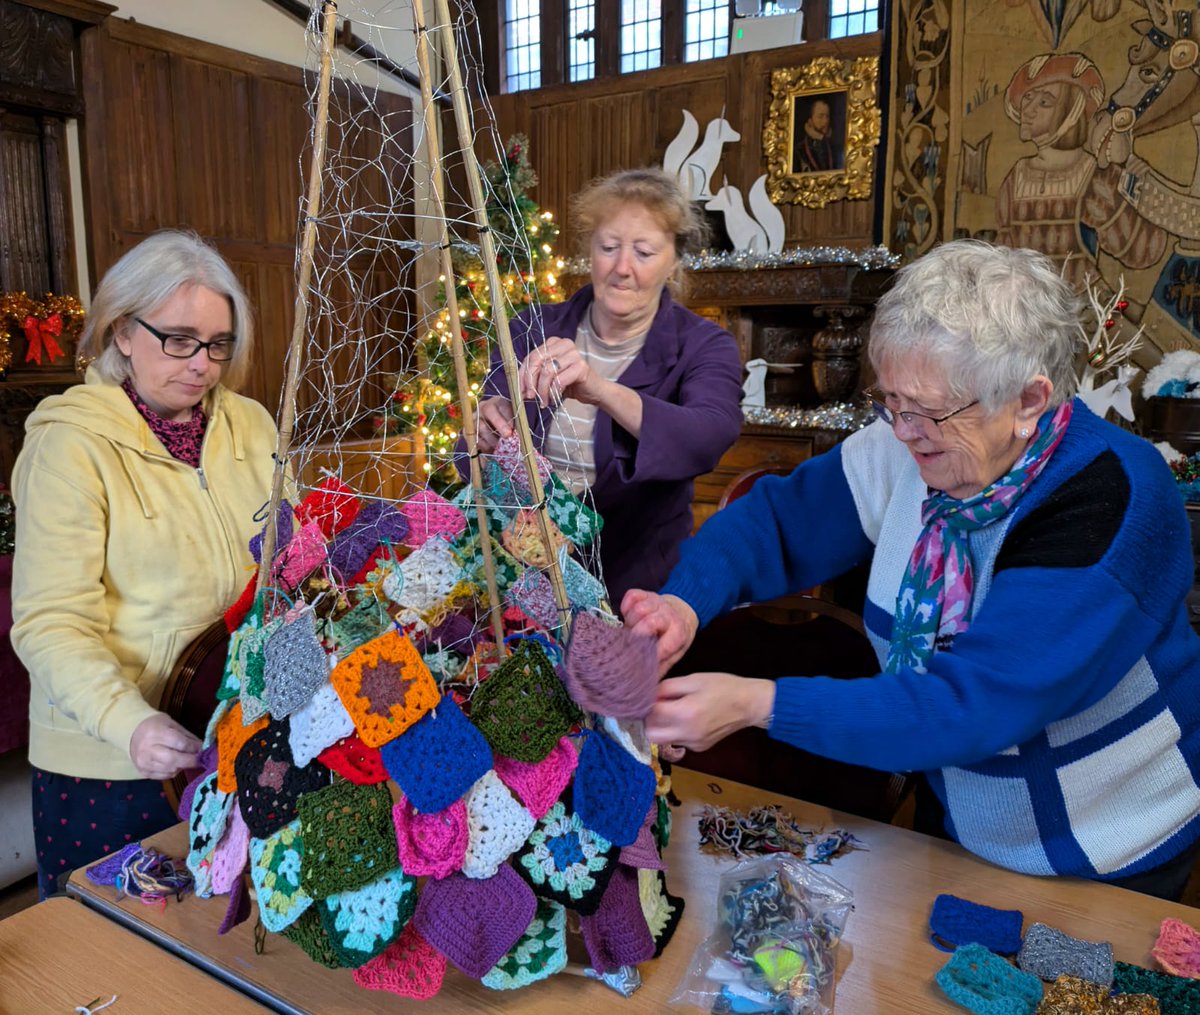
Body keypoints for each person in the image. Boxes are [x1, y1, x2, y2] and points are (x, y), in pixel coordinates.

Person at [625, 239, 1200, 900]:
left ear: (1029, 401)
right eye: (890, 402)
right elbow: (777, 522)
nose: (903, 432)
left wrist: (757, 702)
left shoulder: (1110, 500)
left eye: (928, 411)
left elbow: (971, 705)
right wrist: (685, 603)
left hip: (1109, 846)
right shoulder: (911, 443)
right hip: (961, 817)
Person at [11, 230, 279, 897]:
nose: (203, 364)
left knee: (215, 948)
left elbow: (287, 559)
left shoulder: (249, 424)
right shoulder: (71, 446)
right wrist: (129, 723)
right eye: (180, 339)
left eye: (219, 343)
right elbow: (50, 623)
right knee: (107, 962)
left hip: (230, 735)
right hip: (111, 761)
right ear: (122, 330)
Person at [471, 168, 744, 607]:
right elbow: (484, 451)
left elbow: (710, 435)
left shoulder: (703, 345)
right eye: (609, 247)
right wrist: (486, 428)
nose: (622, 268)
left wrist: (599, 389)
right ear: (589, 251)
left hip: (633, 587)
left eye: (644, 251)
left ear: (674, 260)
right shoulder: (531, 327)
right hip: (519, 581)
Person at [996, 52, 1165, 292]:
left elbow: (1141, 254)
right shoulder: (1016, 177)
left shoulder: (1095, 175)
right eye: (1027, 98)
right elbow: (1003, 256)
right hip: (1026, 309)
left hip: (1084, 309)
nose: (1029, 109)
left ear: (1071, 111)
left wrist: (1137, 188)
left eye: (1045, 102)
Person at [794, 99, 842, 173]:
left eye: (827, 116)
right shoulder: (798, 150)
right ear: (810, 120)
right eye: (820, 116)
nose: (825, 121)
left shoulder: (834, 148)